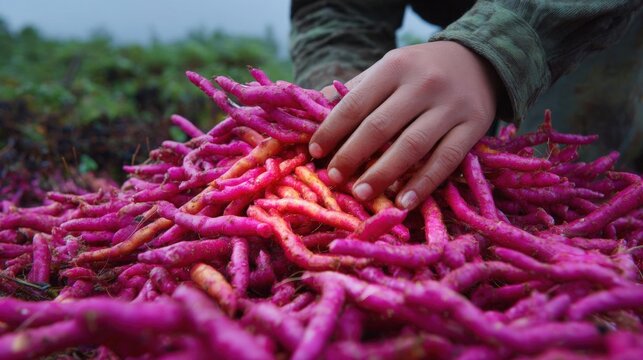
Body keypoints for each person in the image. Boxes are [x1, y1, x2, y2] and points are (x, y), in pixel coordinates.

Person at [290, 0, 642, 210]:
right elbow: (341, 11)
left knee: (558, 189)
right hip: (461, 51)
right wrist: (352, 89)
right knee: (463, 178)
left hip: (600, 36)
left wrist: (493, 49)